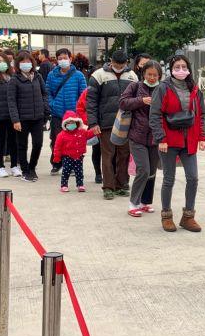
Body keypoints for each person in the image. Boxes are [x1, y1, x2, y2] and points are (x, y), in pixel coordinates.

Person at [149, 54, 205, 233]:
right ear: (171, 70)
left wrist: (202, 137)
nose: (180, 70)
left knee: (193, 178)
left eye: (183, 66)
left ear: (188, 68)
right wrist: (161, 139)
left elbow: (201, 115)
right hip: (169, 140)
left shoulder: (195, 89)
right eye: (177, 67)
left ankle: (188, 217)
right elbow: (155, 115)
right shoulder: (163, 88)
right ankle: (166, 215)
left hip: (189, 140)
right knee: (169, 179)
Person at [86, 50, 138, 199]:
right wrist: (93, 122)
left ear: (126, 63)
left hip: (126, 122)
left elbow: (136, 100)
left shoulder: (132, 76)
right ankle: (108, 187)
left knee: (124, 155)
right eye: (116, 64)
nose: (119, 67)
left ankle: (122, 185)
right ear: (111, 61)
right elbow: (91, 101)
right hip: (106, 123)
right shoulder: (98, 75)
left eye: (122, 65)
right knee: (108, 155)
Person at [119, 60, 161, 217]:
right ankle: (133, 203)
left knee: (151, 172)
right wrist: (140, 101)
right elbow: (122, 102)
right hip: (137, 136)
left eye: (155, 75)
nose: (151, 77)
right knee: (143, 170)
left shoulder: (162, 88)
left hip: (155, 137)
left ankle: (145, 202)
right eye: (149, 74)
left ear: (159, 76)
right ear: (143, 74)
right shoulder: (135, 86)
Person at [8, 50, 49, 182]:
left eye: (28, 61)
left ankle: (32, 167)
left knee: (38, 144)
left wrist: (45, 109)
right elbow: (11, 101)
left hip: (38, 117)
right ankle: (25, 170)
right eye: (23, 62)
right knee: (22, 145)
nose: (26, 64)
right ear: (18, 64)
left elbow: (44, 94)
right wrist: (15, 120)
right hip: (22, 119)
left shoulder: (37, 76)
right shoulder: (14, 79)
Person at [46, 48, 87, 175]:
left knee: (74, 141)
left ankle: (74, 165)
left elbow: (84, 95)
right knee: (56, 139)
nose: (63, 60)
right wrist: (53, 105)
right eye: (60, 58)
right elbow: (48, 93)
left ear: (70, 59)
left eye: (65, 58)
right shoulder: (52, 75)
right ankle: (56, 163)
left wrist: (79, 110)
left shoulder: (78, 75)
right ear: (56, 60)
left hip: (73, 116)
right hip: (57, 114)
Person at [52, 111, 89, 193]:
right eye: (68, 122)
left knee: (79, 172)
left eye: (72, 122)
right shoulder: (61, 135)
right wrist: (56, 157)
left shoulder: (82, 132)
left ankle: (80, 184)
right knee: (66, 171)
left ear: (77, 122)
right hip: (67, 157)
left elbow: (89, 134)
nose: (71, 124)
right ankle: (64, 185)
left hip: (79, 156)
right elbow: (57, 147)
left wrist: (95, 131)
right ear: (65, 124)